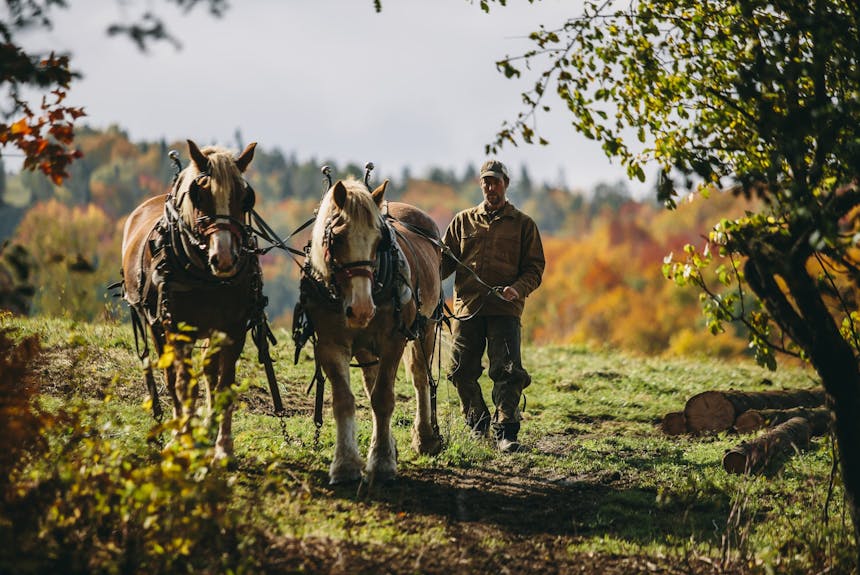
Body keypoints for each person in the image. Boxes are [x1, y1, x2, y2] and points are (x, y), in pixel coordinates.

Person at [441, 160, 545, 453]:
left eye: (496, 182)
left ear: (506, 184)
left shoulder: (524, 225)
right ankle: (478, 425)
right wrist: (425, 277)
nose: (490, 187)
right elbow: (444, 262)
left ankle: (506, 434)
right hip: (467, 309)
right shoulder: (462, 221)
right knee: (460, 370)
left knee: (508, 371)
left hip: (505, 309)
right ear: (480, 184)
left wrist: (517, 289)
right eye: (486, 182)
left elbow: (535, 268)